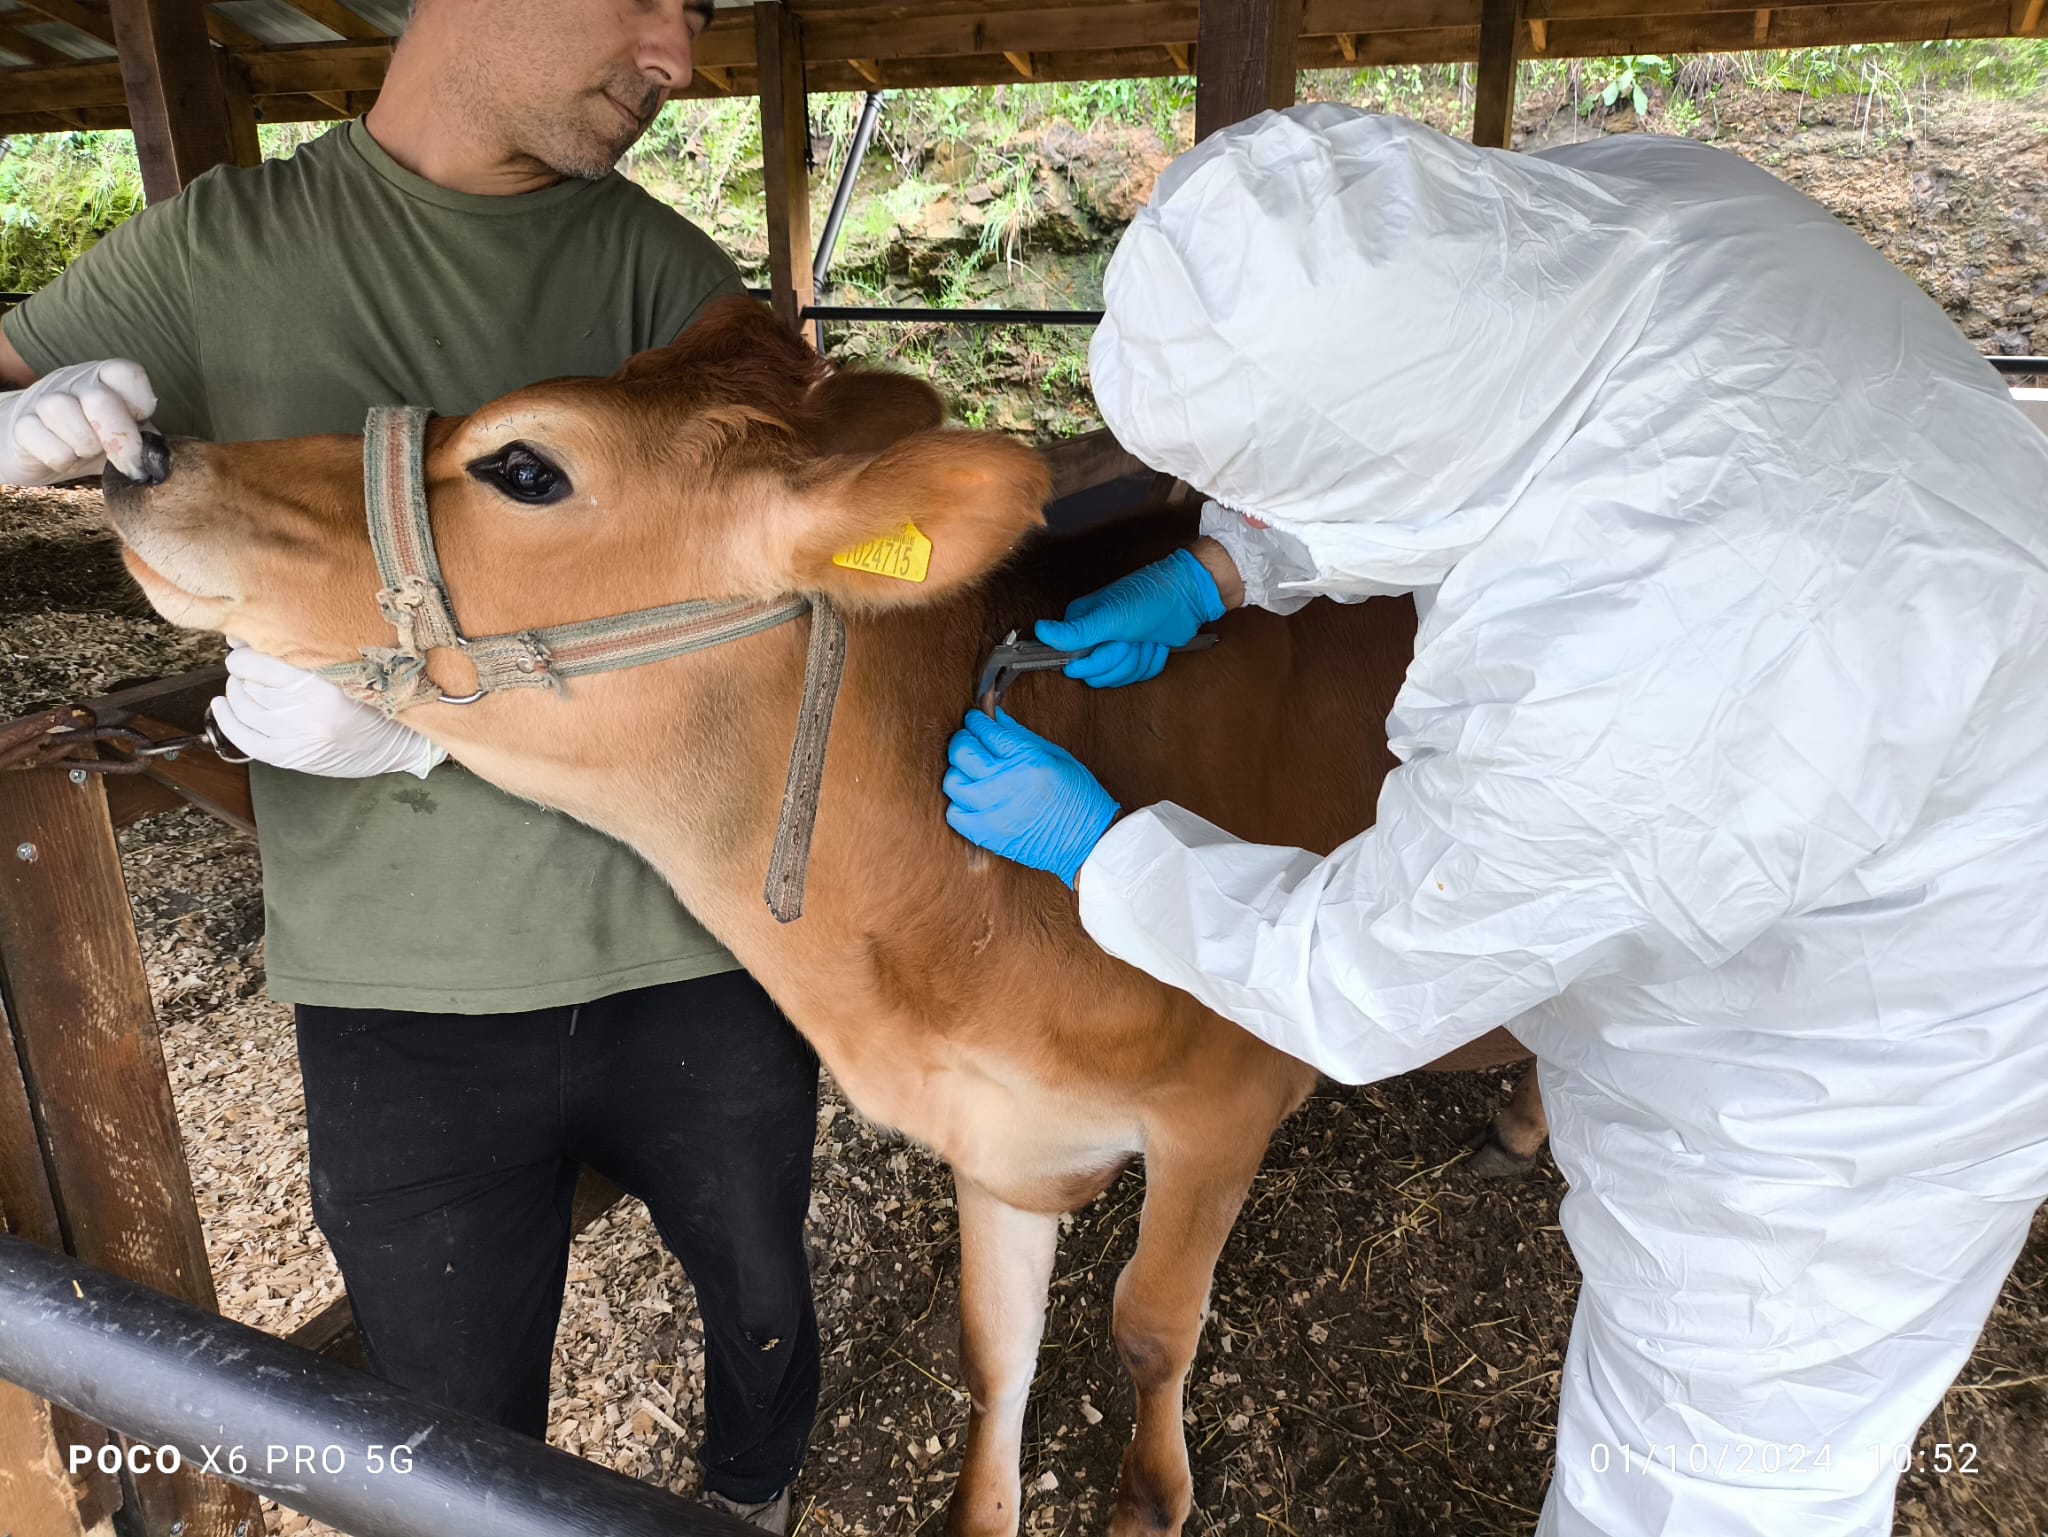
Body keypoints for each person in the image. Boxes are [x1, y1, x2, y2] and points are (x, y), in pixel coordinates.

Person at [943, 106, 2048, 1536]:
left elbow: (1361, 979)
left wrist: (1102, 847)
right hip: (1939, 697)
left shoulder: (1625, 672)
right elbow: (1489, 407)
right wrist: (1228, 566)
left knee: (1721, 1469)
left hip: (1870, 1060)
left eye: (1272, 477)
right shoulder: (1630, 206)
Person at [0, 3, 817, 1527]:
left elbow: (779, 595)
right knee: (442, 1428)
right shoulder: (211, 250)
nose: (678, 58)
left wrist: (426, 702)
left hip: (691, 945)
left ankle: (757, 1496)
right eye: (649, 1)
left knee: (766, 1295)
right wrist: (12, 427)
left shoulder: (662, 276)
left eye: (696, 19)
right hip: (399, 985)